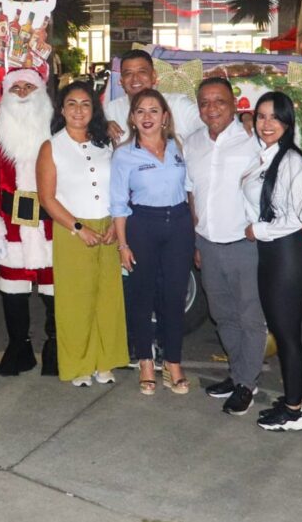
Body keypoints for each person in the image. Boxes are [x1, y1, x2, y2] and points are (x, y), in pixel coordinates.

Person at [37, 81, 128, 386]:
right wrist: (78, 227)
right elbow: (47, 198)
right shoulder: (51, 146)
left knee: (108, 298)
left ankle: (105, 362)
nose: (79, 110)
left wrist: (117, 225)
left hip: (108, 228)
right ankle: (78, 365)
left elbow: (119, 188)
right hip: (72, 229)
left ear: (94, 109)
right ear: (62, 110)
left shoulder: (105, 142)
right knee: (76, 300)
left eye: (85, 104)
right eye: (72, 104)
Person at [187, 77, 265, 415]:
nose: (211, 108)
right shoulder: (192, 143)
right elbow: (192, 192)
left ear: (235, 104)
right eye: (204, 102)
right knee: (222, 315)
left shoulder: (253, 138)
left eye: (219, 100)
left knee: (250, 318)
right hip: (207, 241)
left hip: (244, 244)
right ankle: (237, 375)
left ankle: (247, 383)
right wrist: (196, 239)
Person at [110, 89, 194, 396]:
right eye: (140, 111)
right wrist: (123, 245)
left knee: (173, 297)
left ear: (165, 116)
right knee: (141, 297)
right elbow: (118, 203)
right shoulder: (124, 154)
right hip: (142, 225)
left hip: (179, 225)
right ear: (132, 118)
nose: (147, 117)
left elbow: (190, 190)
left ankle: (173, 362)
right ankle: (146, 360)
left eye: (154, 110)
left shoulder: (178, 147)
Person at [241, 91, 302, 431]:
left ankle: (296, 409)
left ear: (287, 122)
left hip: (288, 254)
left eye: (274, 117)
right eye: (260, 116)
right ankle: (292, 399)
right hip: (272, 252)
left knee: (287, 334)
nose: (266, 124)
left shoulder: (293, 162)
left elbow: (297, 218)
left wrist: (256, 229)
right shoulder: (266, 157)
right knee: (282, 330)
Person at [0, 68, 57, 377]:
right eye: (17, 88)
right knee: (13, 287)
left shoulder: (58, 129)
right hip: (11, 223)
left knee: (55, 287)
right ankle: (19, 346)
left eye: (30, 86)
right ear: (6, 95)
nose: (24, 92)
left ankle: (56, 347)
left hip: (52, 222)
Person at [103, 49, 201, 142]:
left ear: (154, 76)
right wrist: (103, 127)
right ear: (121, 81)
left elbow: (208, 126)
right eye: (128, 73)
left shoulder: (178, 105)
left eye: (142, 72)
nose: (135, 78)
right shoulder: (112, 110)